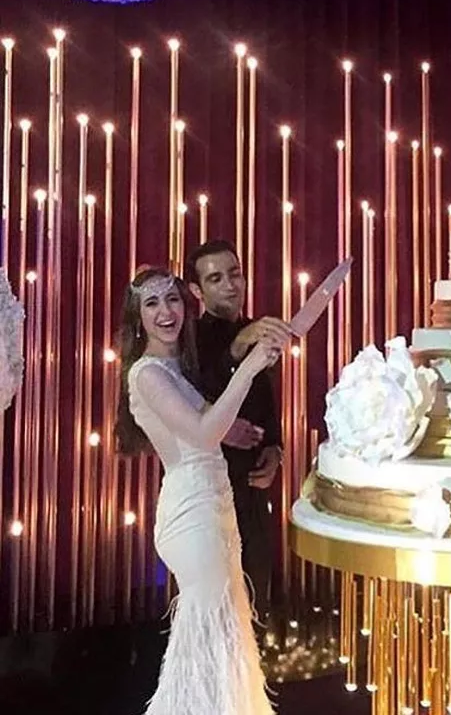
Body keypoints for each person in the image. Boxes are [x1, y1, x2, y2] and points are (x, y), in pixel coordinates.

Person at [115, 267, 290, 714]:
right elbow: (206, 431)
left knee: (228, 630)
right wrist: (249, 367)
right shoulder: (146, 375)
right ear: (138, 317)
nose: (165, 311)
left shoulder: (180, 368)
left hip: (218, 506)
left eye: (171, 300)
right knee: (206, 633)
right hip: (190, 514)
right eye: (151, 304)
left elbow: (218, 424)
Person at [185, 239, 285, 621]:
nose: (230, 285)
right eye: (215, 278)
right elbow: (201, 395)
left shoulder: (255, 329)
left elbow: (267, 400)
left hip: (255, 488)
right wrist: (239, 345)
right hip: (208, 490)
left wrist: (276, 449)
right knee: (211, 608)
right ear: (197, 290)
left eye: (235, 274)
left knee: (254, 601)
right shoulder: (187, 337)